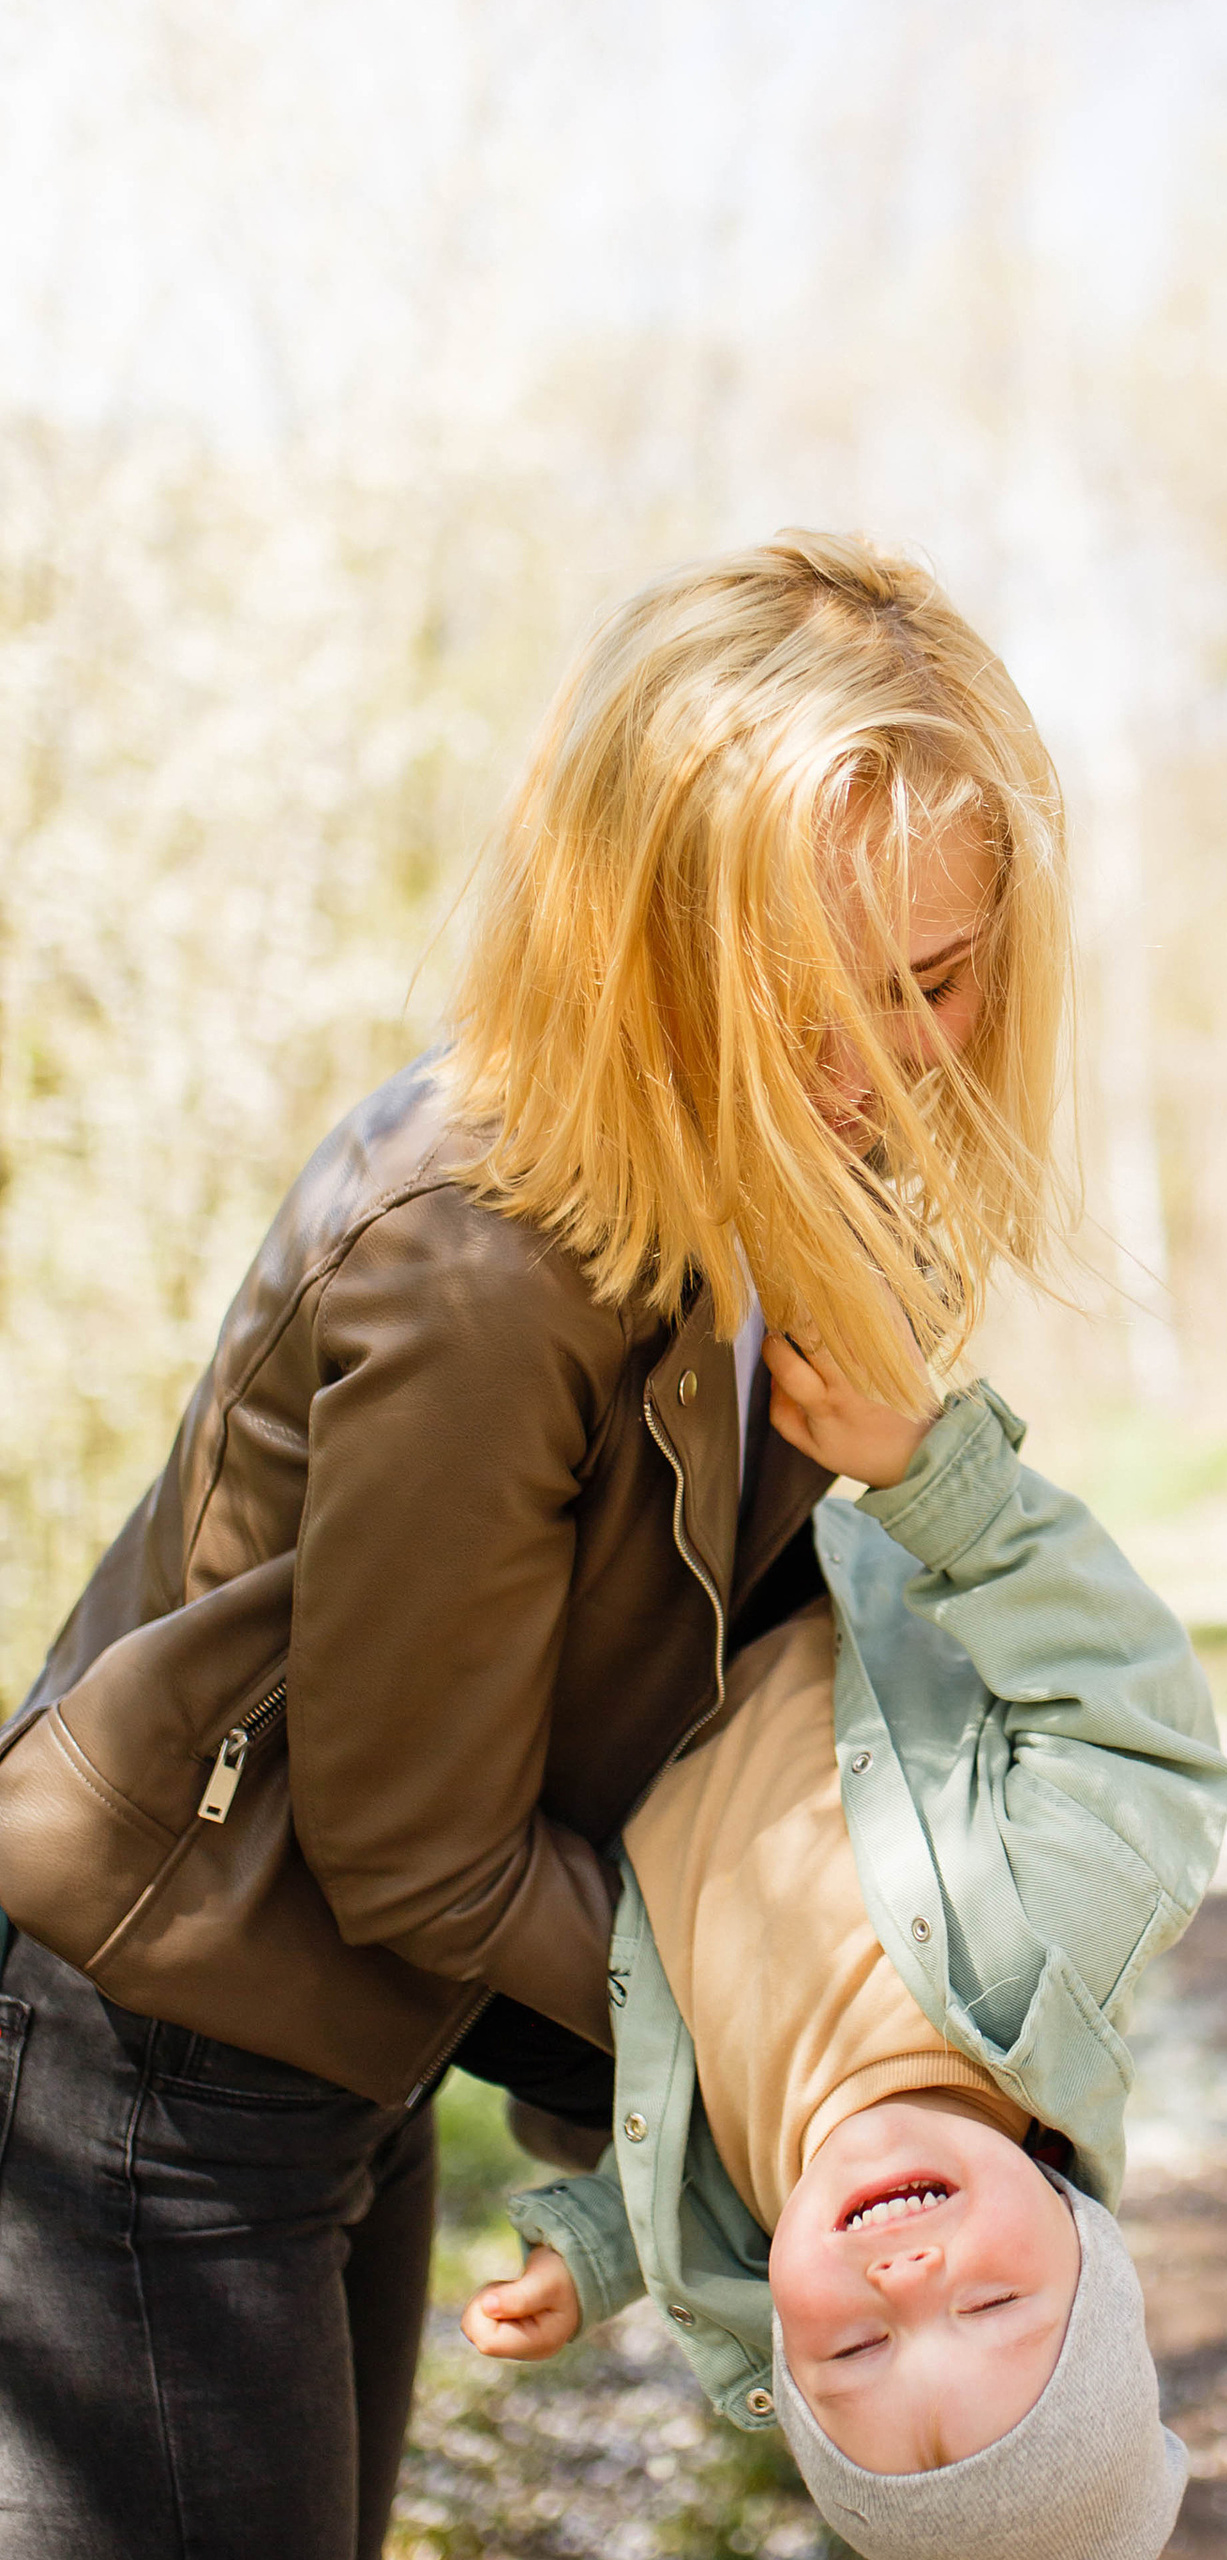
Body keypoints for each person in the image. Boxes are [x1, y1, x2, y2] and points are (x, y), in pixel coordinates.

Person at [0, 532, 1071, 2560]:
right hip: (155, 2059)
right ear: (645, 934)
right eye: (807, 991)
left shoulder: (799, 1206)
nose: (874, 1061)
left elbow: (696, 1688)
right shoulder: (486, 1251)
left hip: (352, 2041)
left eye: (932, 976)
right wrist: (797, 2055)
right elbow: (413, 1839)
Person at [461, 1353, 1227, 2560]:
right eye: (990, 2306)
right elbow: (1139, 1728)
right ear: (1091, 2250)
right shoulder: (1058, 1938)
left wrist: (599, 2253)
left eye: (857, 2349)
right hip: (756, 1549)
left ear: (781, 2334)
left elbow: (669, 2162)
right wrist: (940, 1480)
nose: (908, 2281)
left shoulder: (747, 2203)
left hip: (572, 1672)